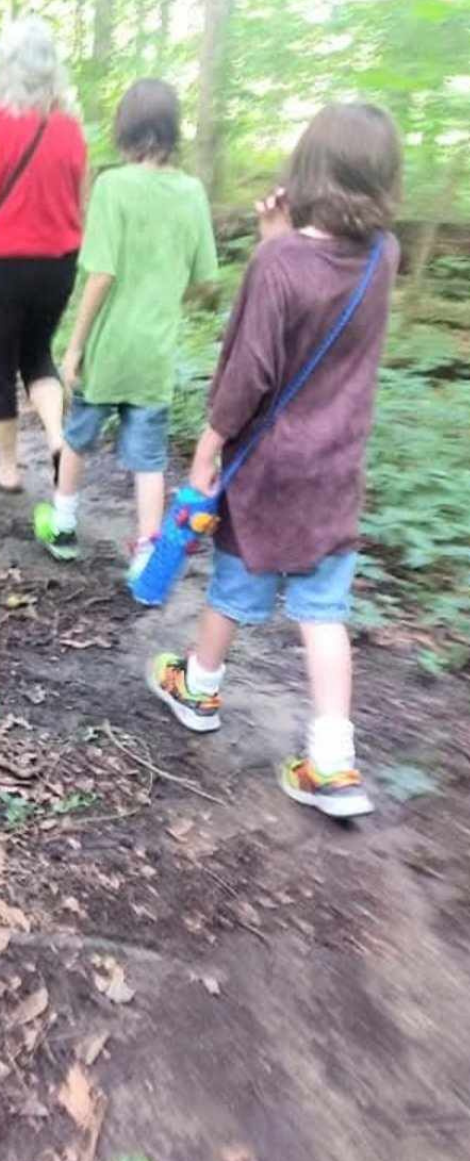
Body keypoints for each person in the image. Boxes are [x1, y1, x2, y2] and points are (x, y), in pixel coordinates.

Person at [147, 102, 403, 819]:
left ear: (305, 169)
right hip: (335, 470)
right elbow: (328, 276)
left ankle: (198, 687)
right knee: (325, 611)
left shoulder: (278, 262)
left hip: (269, 470)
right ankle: (333, 764)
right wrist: (281, 243)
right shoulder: (386, 255)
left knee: (235, 583)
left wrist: (207, 447)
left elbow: (250, 372)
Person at [33, 79, 219, 570]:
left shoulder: (113, 185)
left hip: (110, 345)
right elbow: (205, 282)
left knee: (78, 435)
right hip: (156, 349)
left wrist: (74, 347)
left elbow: (101, 274)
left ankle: (64, 522)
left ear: (126, 129)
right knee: (150, 458)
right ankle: (145, 554)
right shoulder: (192, 192)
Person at [0, 17, 87, 491]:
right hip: (60, 262)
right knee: (38, 354)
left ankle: (7, 468)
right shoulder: (72, 128)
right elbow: (80, 202)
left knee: (2, 362)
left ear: (3, 67)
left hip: (6, 261)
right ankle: (55, 437)